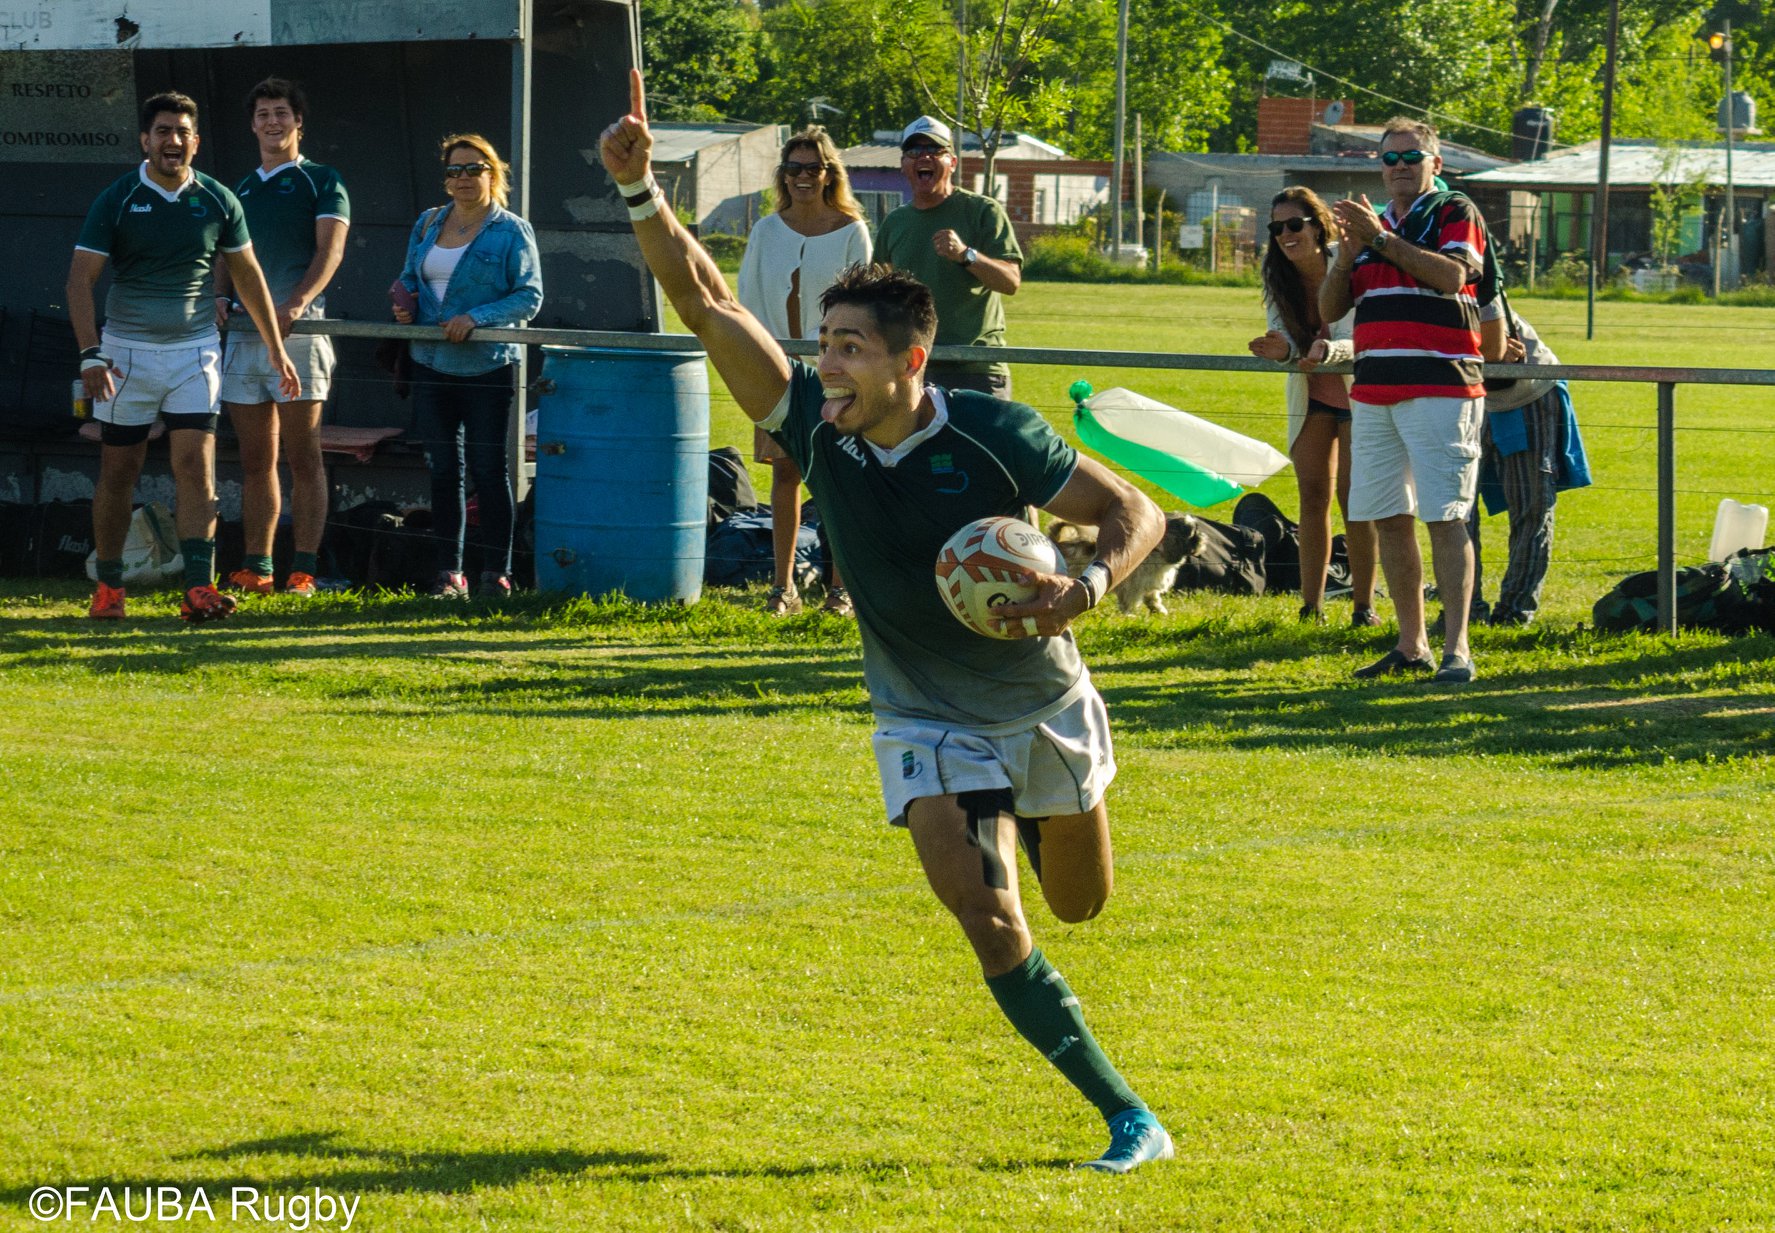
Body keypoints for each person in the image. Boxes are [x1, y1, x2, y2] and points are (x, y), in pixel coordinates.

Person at [600, 72, 1175, 1174]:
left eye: (852, 348)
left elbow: (1131, 513)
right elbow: (710, 302)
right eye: (824, 344)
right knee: (985, 917)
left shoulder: (995, 434)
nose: (829, 365)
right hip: (918, 711)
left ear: (912, 359)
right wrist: (640, 194)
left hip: (1039, 700)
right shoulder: (817, 429)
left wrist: (1084, 589)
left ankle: (1038, 812)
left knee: (1079, 905)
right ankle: (1126, 1118)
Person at [68, 91, 299, 624]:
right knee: (118, 472)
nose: (173, 142)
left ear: (196, 142)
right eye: (163, 132)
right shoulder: (119, 198)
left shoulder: (218, 199)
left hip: (195, 354)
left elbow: (248, 275)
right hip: (125, 356)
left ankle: (199, 588)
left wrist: (275, 347)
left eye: (182, 133)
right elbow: (80, 279)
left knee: (197, 468)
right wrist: (90, 355)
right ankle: (109, 587)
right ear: (145, 140)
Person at [1320, 117, 1487, 683]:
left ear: (1435, 164)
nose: (1398, 167)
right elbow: (1328, 309)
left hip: (1440, 385)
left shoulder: (1454, 210)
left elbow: (1452, 277)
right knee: (1388, 517)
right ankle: (1410, 643)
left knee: (1445, 514)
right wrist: (1347, 254)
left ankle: (1457, 647)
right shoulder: (1376, 223)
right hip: (1373, 389)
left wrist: (1381, 241)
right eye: (1388, 159)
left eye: (1411, 157)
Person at [217, 77, 350, 599]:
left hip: (301, 337)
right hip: (244, 341)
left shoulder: (323, 179)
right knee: (254, 460)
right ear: (253, 124)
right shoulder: (239, 190)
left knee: (304, 457)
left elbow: (330, 252)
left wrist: (295, 302)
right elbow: (225, 258)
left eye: (282, 112)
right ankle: (258, 567)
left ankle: (305, 571)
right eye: (263, 113)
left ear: (299, 122)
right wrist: (217, 297)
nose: (273, 122)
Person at [393, 133, 542, 598]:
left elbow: (530, 295)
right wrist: (402, 301)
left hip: (486, 367)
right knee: (442, 470)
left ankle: (496, 572)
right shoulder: (427, 223)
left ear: (493, 174)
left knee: (489, 468)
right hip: (430, 362)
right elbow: (407, 276)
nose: (462, 178)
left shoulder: (512, 230)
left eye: (473, 169)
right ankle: (448, 574)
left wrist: (476, 317)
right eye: (454, 170)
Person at [737, 126, 873, 616]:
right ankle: (783, 588)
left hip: (838, 374)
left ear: (828, 173)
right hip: (778, 374)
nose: (802, 177)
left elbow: (861, 308)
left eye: (812, 168)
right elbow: (747, 302)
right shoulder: (765, 230)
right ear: (782, 175)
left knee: (840, 478)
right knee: (785, 474)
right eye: (793, 168)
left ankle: (840, 589)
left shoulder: (851, 230)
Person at [1247, 186, 1379, 626]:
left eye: (1294, 224)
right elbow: (1283, 336)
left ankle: (1364, 607)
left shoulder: (1350, 260)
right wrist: (1277, 347)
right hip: (1312, 397)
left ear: (1318, 226)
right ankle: (1311, 606)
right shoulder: (1274, 274)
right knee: (1312, 497)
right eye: (1276, 227)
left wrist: (1329, 353)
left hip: (1361, 396)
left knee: (1356, 501)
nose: (1285, 234)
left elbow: (1364, 337)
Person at [875, 115, 1022, 399]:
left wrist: (967, 255)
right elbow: (878, 290)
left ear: (952, 163)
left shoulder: (982, 211)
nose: (923, 157)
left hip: (976, 368)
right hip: (914, 366)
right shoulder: (895, 222)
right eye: (914, 151)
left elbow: (1011, 282)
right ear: (903, 165)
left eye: (935, 151)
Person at [1468, 288, 1590, 625]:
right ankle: (1464, 607)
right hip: (1465, 396)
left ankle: (1514, 610)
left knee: (1531, 506)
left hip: (1526, 394)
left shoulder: (1470, 270)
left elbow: (1500, 347)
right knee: (1454, 512)